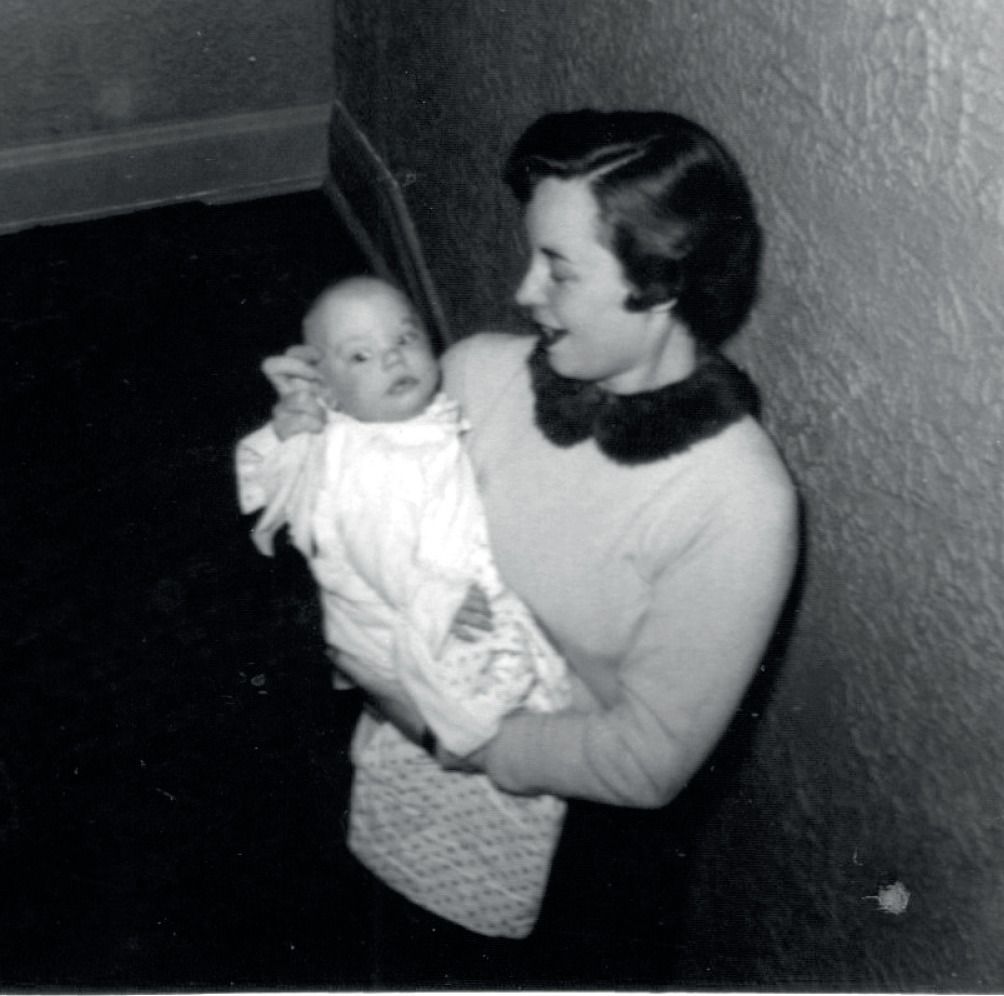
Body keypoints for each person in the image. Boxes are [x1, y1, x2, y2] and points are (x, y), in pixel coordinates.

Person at [263, 110, 799, 982]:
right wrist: (316, 433)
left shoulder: (739, 505)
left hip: (575, 857)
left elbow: (645, 763)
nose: (523, 292)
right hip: (415, 782)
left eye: (557, 267)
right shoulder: (479, 372)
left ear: (660, 285)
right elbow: (371, 527)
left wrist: (449, 734)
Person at [236, 276, 571, 939]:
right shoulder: (378, 463)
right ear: (327, 385)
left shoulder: (392, 427)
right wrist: (444, 601)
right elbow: (381, 556)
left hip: (397, 612)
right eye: (360, 355)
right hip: (408, 614)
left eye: (405, 337)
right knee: (512, 701)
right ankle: (466, 861)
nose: (392, 358)